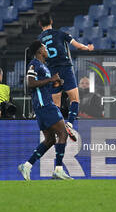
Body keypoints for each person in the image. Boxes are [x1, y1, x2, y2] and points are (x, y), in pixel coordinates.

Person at [18, 40, 73, 181]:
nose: (46, 49)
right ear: (39, 51)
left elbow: (43, 85)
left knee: (49, 140)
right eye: (44, 47)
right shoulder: (34, 64)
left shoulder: (44, 66)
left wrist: (56, 83)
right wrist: (50, 80)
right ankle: (58, 170)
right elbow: (30, 83)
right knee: (63, 134)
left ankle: (27, 165)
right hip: (44, 105)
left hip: (43, 105)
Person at [37, 12, 94, 141]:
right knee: (74, 99)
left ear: (40, 25)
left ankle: (59, 127)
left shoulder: (39, 40)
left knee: (56, 104)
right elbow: (78, 46)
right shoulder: (60, 34)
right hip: (65, 68)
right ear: (51, 21)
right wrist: (88, 48)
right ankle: (69, 123)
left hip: (52, 72)